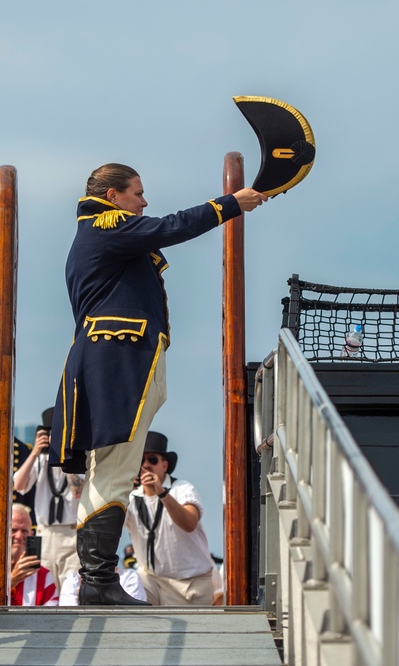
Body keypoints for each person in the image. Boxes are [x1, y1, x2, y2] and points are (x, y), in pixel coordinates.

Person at [49, 163, 267, 605]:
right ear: (113, 197)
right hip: (118, 360)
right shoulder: (105, 226)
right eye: (137, 193)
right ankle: (98, 582)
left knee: (111, 471)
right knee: (112, 472)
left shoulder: (103, 233)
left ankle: (99, 580)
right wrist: (230, 205)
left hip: (120, 359)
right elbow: (171, 227)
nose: (144, 203)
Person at [124, 432, 216, 605]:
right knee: (136, 586)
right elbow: (111, 524)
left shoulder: (181, 489)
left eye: (152, 460)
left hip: (190, 584)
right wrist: (124, 487)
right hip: (153, 581)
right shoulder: (131, 496)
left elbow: (189, 524)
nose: (145, 465)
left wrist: (161, 492)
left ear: (164, 465)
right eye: (140, 460)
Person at [12, 408, 81, 590]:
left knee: (71, 591)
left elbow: (77, 492)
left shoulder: (81, 461)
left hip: (71, 534)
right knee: (46, 588)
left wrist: (67, 458)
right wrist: (35, 452)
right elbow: (18, 485)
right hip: (45, 534)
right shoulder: (40, 460)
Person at [8, 503, 58, 606]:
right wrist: (12, 581)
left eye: (24, 531)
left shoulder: (44, 576)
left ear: (31, 535)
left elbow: (52, 618)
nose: (19, 536)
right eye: (13, 530)